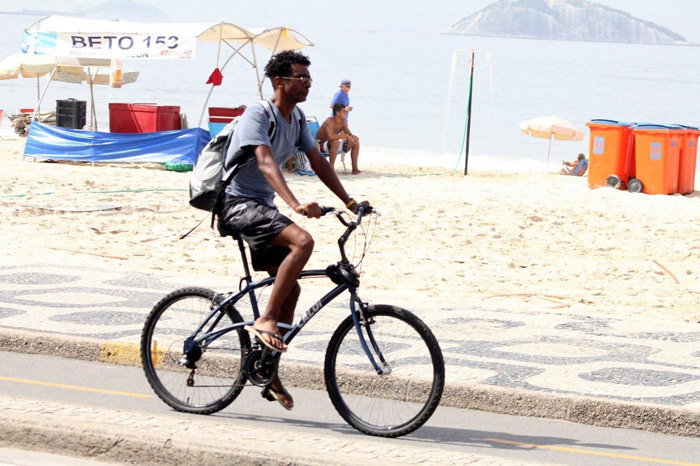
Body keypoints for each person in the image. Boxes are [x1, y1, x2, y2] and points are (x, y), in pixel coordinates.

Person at [216, 51, 368, 411]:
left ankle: (269, 371)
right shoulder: (258, 114)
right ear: (280, 82)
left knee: (292, 287)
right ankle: (265, 318)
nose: (308, 83)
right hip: (237, 204)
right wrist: (296, 204)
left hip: (262, 208)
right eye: (300, 77)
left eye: (309, 78)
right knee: (303, 240)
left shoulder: (297, 117)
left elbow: (316, 160)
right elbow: (266, 161)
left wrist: (349, 202)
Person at [316, 103, 361, 174]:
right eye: (344, 111)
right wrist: (343, 136)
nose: (346, 113)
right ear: (337, 113)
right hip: (320, 146)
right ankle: (331, 169)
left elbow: (349, 134)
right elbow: (330, 137)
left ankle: (355, 169)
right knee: (335, 142)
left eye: (346, 111)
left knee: (355, 143)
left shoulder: (342, 122)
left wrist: (353, 137)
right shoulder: (329, 121)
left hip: (332, 145)